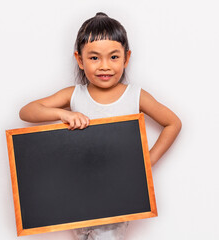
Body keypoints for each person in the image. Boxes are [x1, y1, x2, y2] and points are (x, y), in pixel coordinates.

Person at [19, 12, 182, 240]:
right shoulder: (74, 95)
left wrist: (147, 161)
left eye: (114, 57)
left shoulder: (135, 96)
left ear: (126, 58)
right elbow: (27, 111)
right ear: (79, 59)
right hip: (79, 192)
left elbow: (173, 122)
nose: (104, 66)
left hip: (115, 194)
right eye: (94, 58)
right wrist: (63, 113)